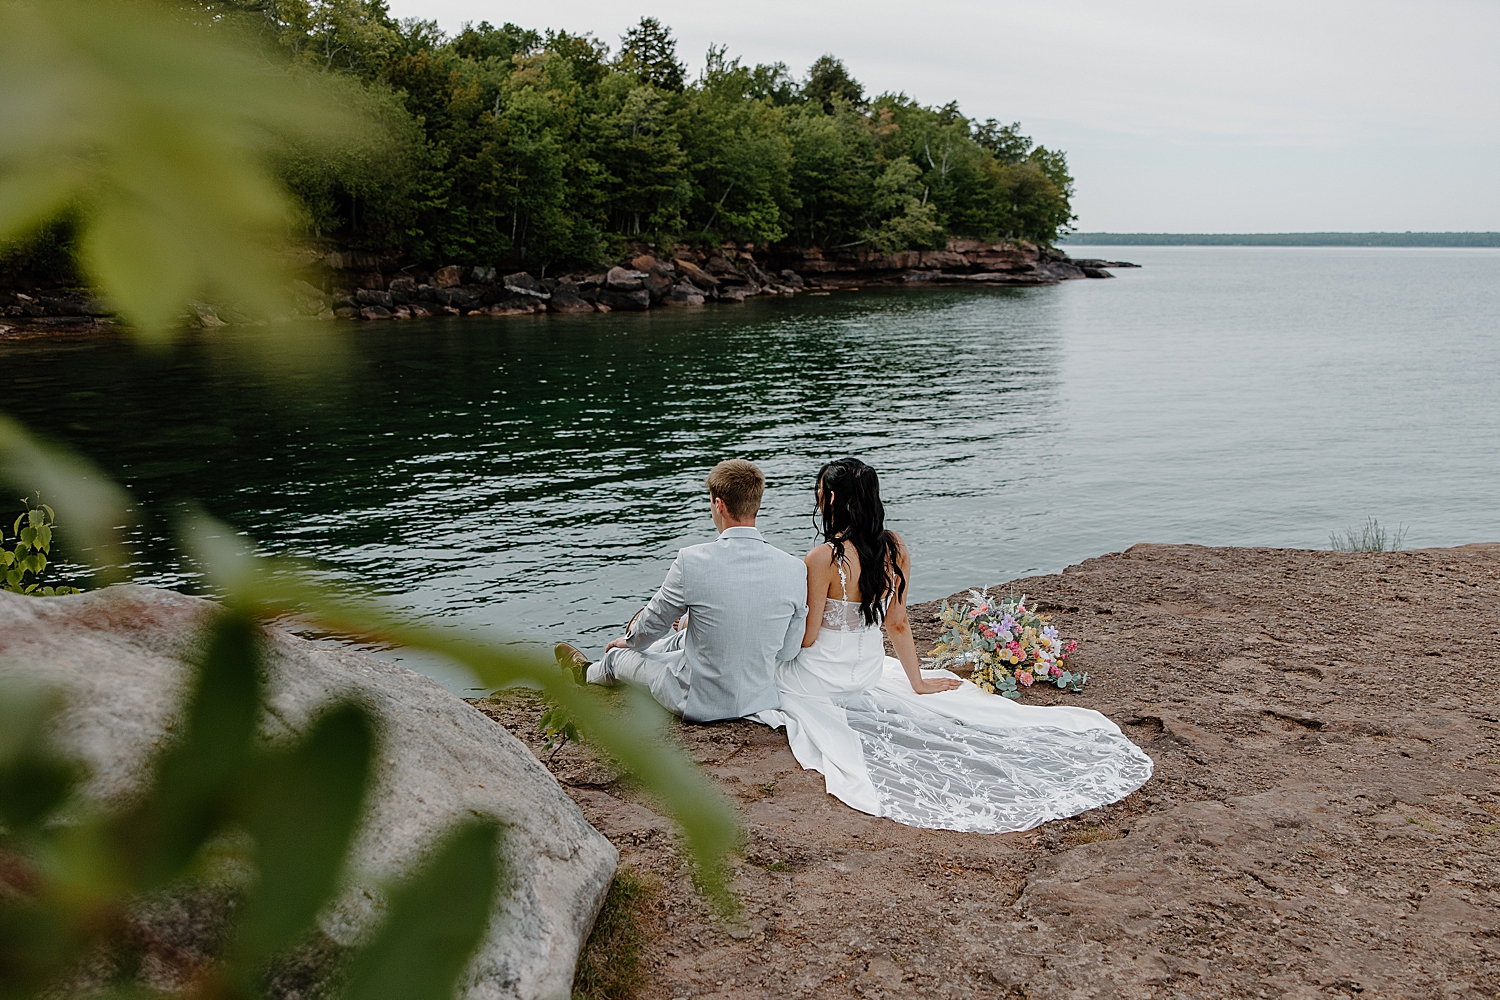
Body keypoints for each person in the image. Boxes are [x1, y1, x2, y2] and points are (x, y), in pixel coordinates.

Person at [751, 458, 1154, 833]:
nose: (818, 499)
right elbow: (898, 623)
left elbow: (807, 636)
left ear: (834, 499)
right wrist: (918, 682)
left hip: (823, 677)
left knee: (771, 672)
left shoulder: (821, 558)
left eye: (820, 492)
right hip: (865, 672)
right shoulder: (895, 549)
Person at [554, 459, 808, 722]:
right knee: (678, 639)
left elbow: (654, 620)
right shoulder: (795, 569)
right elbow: (787, 651)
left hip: (697, 699)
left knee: (619, 658)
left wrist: (628, 642)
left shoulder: (693, 560)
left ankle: (583, 673)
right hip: (759, 698)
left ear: (719, 504)